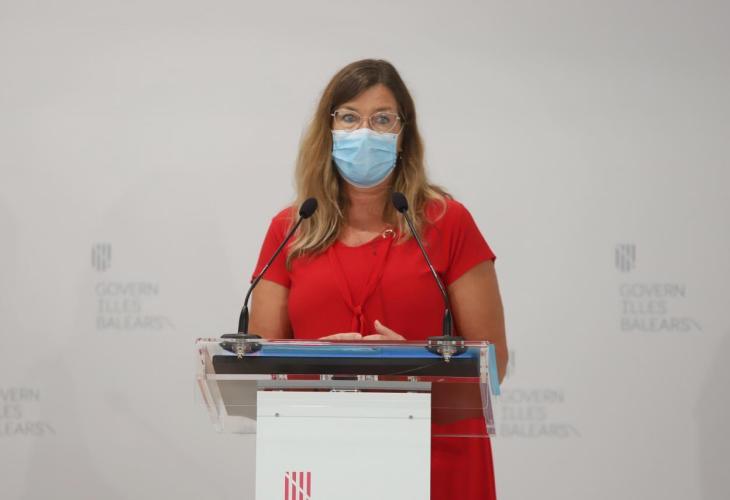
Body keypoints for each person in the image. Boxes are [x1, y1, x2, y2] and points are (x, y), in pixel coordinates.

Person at [250, 58, 507, 500]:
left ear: (404, 134)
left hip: (435, 455)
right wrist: (321, 363)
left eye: (382, 119)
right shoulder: (291, 229)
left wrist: (411, 363)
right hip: (318, 456)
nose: (365, 132)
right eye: (350, 117)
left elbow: (493, 360)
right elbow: (258, 361)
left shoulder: (447, 223)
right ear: (328, 130)